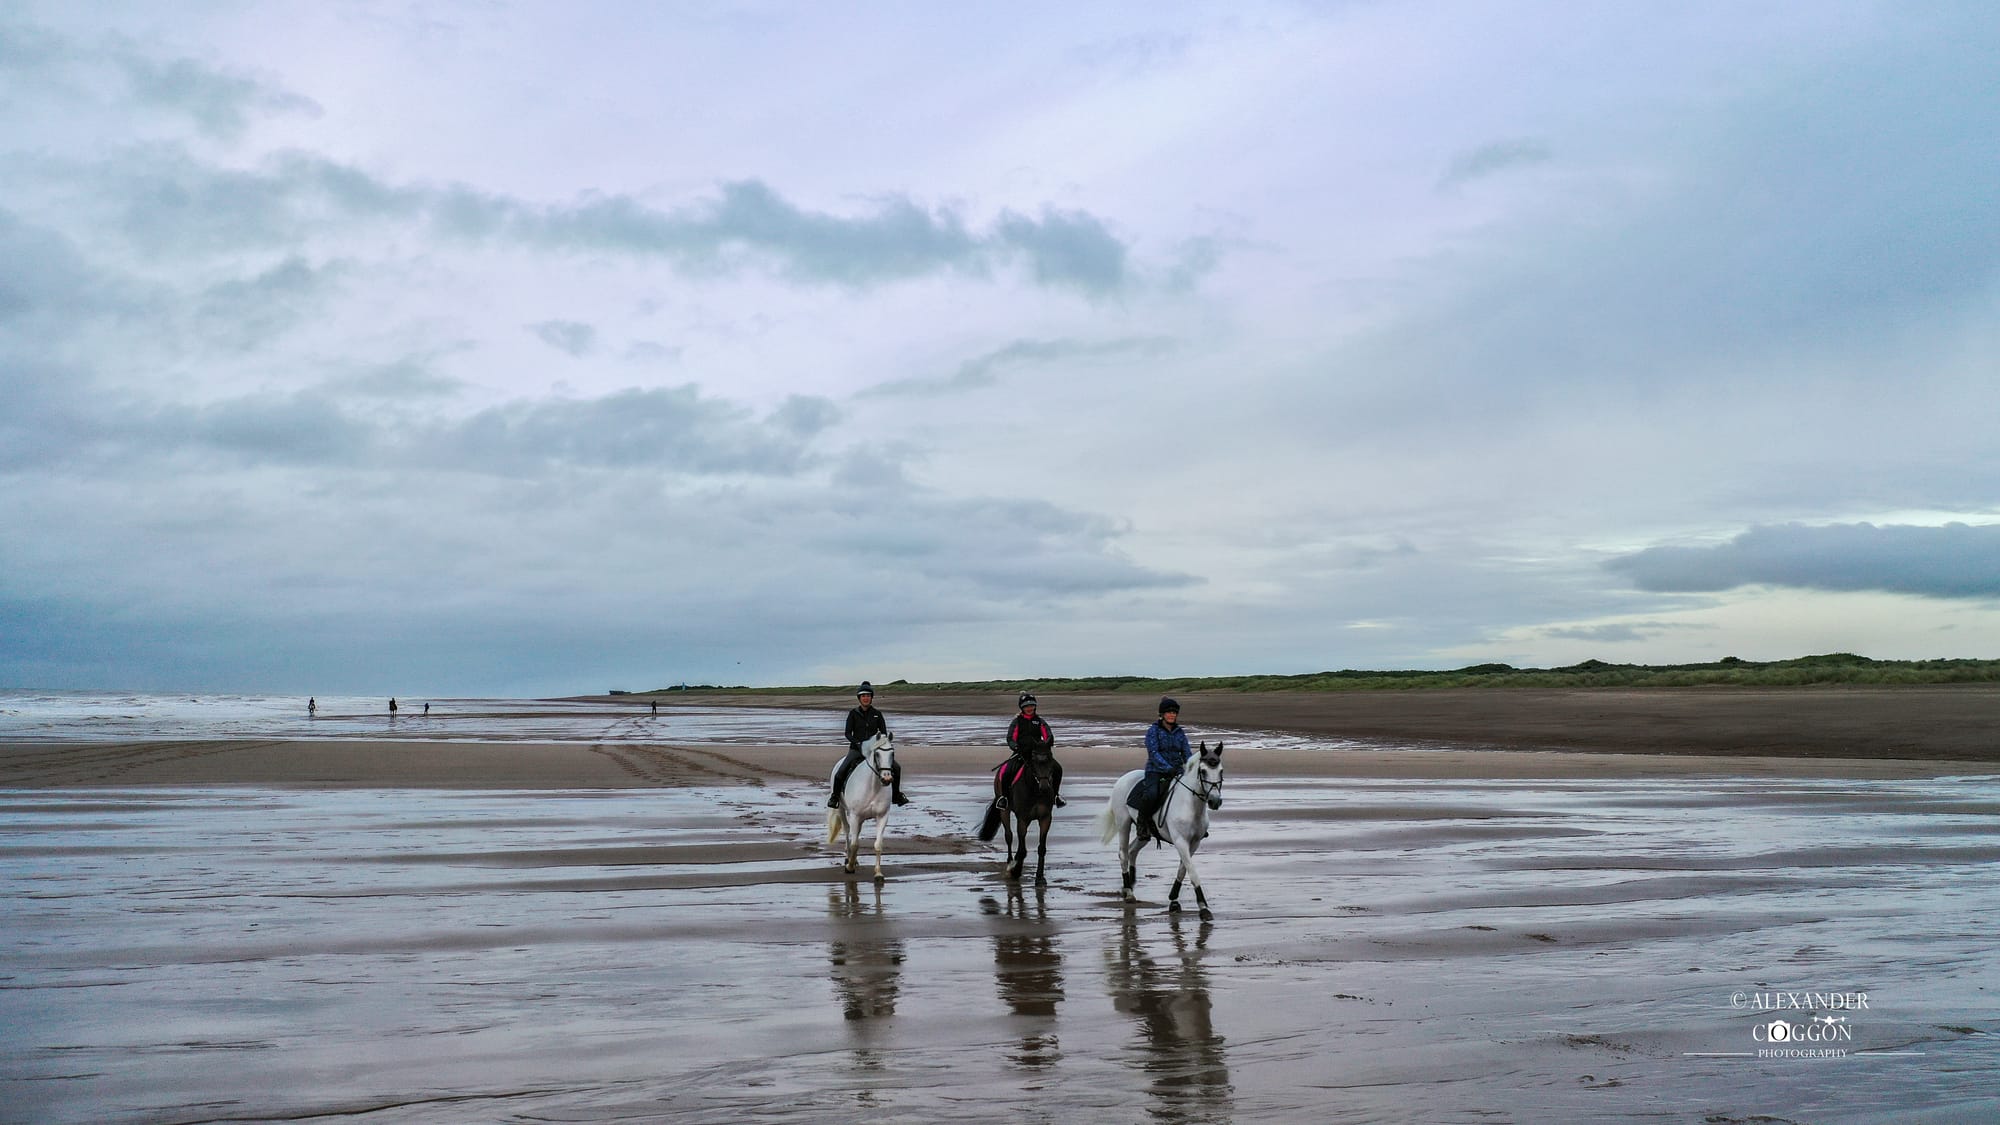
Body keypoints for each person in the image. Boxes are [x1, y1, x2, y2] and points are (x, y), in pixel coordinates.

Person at [829, 682, 908, 808]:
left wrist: (876, 746)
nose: (866, 698)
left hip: (873, 750)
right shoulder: (853, 714)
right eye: (863, 696)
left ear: (871, 697)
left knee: (896, 768)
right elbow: (848, 733)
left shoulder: (877, 714)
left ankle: (896, 795)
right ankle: (835, 797)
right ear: (859, 698)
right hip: (856, 750)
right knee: (840, 772)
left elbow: (883, 734)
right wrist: (858, 743)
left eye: (868, 695)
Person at [1128, 697, 1190, 844]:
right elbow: (1154, 753)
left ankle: (1196, 826)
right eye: (1169, 712)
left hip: (1177, 771)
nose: (1172, 715)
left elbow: (1186, 753)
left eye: (1174, 712)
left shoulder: (1180, 733)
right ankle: (1142, 824)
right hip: (1155, 771)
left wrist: (1190, 767)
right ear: (1162, 714)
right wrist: (1167, 768)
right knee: (1151, 794)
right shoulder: (1153, 731)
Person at [995, 692, 1064, 809]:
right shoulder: (1017, 721)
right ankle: (1004, 798)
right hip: (1021, 754)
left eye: (1031, 705)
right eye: (1026, 706)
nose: (1029, 708)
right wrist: (1015, 747)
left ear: (1035, 706)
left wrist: (1046, 745)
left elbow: (1048, 734)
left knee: (1058, 769)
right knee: (1006, 772)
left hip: (1038, 754)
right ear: (1022, 708)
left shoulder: (1040, 721)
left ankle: (1056, 796)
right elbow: (1010, 738)